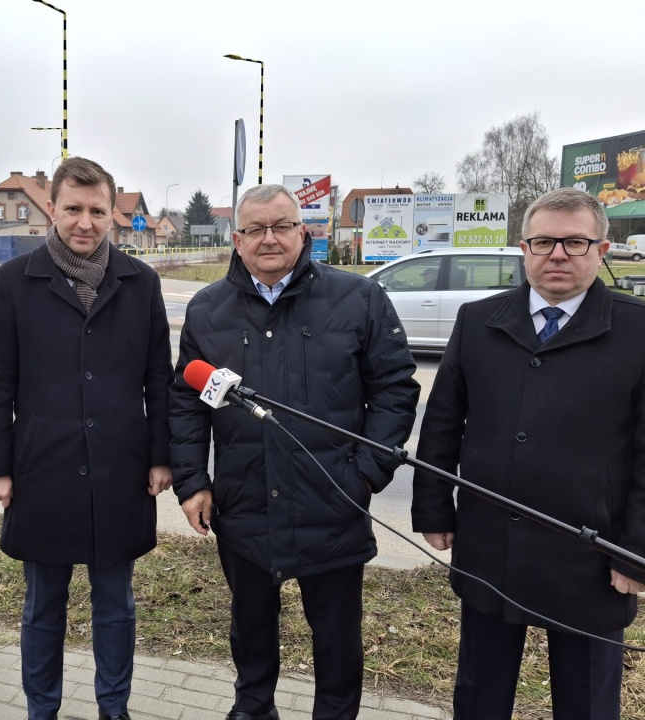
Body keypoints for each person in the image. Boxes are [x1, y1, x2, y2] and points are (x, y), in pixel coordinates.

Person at [170, 184, 420, 720]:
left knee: (336, 643)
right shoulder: (207, 309)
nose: (270, 239)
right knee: (251, 635)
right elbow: (186, 404)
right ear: (236, 240)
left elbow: (395, 390)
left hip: (332, 504)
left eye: (281, 225)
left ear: (302, 231)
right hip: (244, 507)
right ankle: (253, 711)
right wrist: (193, 482)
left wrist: (365, 475)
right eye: (256, 229)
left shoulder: (359, 299)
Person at [411, 187, 645, 719]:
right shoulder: (478, 321)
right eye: (543, 242)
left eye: (575, 243)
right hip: (493, 542)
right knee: (480, 690)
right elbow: (443, 424)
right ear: (524, 248)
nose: (557, 254)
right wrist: (432, 508)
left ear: (602, 251)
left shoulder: (638, 330)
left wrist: (636, 549)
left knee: (586, 699)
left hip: (592, 552)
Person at [0, 156, 173, 720]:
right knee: (43, 606)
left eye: (96, 210)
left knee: (116, 604)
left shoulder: (141, 282)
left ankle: (115, 709)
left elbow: (159, 377)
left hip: (120, 467)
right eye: (72, 209)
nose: (84, 222)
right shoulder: (16, 282)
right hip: (42, 468)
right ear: (51, 212)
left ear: (112, 214)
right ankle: (43, 710)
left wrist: (162, 457)